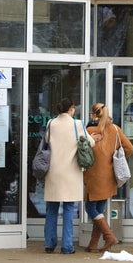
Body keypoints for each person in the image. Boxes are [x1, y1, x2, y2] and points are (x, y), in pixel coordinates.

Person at [43, 97, 94, 254]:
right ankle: (67, 246)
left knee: (52, 208)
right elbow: (90, 142)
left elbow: (46, 140)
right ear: (71, 109)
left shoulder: (51, 123)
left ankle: (49, 243)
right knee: (69, 208)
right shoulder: (77, 124)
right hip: (70, 172)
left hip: (53, 171)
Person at [83, 103, 133, 252]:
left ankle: (109, 236)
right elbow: (129, 148)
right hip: (109, 175)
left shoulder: (89, 131)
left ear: (93, 115)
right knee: (99, 209)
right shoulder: (115, 130)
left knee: (90, 207)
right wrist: (114, 156)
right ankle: (93, 245)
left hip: (93, 175)